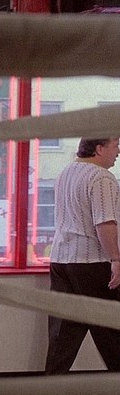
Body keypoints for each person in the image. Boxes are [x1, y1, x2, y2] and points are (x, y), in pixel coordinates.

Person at [45, 137, 120, 375]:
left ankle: (47, 391)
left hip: (61, 259)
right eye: (115, 145)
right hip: (93, 262)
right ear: (99, 148)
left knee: (63, 336)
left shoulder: (65, 173)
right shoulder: (102, 178)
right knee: (112, 331)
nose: (118, 151)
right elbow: (104, 223)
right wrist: (116, 259)